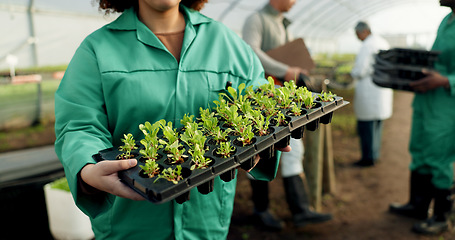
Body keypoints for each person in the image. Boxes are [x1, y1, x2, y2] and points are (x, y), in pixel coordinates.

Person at [53, 1, 291, 239]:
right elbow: (79, 124)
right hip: (130, 225)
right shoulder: (98, 49)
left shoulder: (227, 44)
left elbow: (259, 100)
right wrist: (87, 166)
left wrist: (263, 137)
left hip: (206, 224)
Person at [242, 0, 332, 230]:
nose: (294, 2)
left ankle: (300, 208)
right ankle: (261, 210)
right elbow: (250, 52)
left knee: (293, 148)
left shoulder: (282, 22)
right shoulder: (257, 19)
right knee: (260, 149)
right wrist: (286, 70)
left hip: (284, 97)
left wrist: (297, 69)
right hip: (262, 97)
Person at [389, 0, 455, 235]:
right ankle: (417, 205)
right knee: (418, 150)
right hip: (427, 100)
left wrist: (446, 80)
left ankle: (440, 216)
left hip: (447, 106)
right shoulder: (446, 21)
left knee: (439, 157)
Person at [350, 21, 393, 167]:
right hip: (381, 90)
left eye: (357, 34)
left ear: (364, 31)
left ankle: (367, 158)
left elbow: (360, 70)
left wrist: (352, 73)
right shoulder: (382, 42)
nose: (357, 37)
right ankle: (375, 154)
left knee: (367, 126)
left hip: (369, 90)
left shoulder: (367, 45)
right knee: (377, 125)